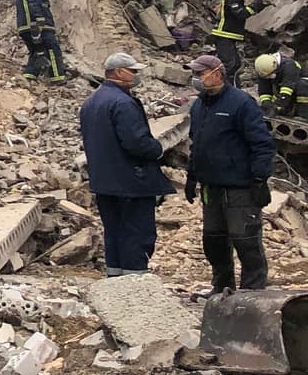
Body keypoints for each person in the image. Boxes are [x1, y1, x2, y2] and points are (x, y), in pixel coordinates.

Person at [79, 52, 176, 275]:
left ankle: (115, 280)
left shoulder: (91, 102)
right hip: (131, 181)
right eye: (133, 71)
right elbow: (136, 142)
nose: (136, 75)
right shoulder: (122, 103)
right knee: (136, 232)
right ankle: (134, 284)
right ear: (119, 72)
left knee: (113, 231)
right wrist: (157, 149)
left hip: (104, 182)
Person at [185, 52, 274, 293]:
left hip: (240, 187)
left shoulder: (241, 103)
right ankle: (221, 288)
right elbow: (197, 143)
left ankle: (252, 294)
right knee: (213, 241)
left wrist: (259, 179)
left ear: (217, 74)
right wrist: (192, 176)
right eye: (194, 73)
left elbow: (262, 144)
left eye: (200, 73)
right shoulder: (199, 105)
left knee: (245, 241)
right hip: (210, 188)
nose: (196, 78)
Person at [211, 0, 265, 85]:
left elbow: (241, 13)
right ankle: (223, 86)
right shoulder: (232, 0)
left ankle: (232, 87)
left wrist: (257, 8)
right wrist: (254, 7)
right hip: (224, 36)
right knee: (230, 64)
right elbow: (240, 14)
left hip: (227, 37)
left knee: (235, 64)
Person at [16, 0, 66, 83]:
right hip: (39, 28)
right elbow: (35, 5)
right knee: (52, 50)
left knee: (36, 51)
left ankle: (30, 74)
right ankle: (57, 77)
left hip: (24, 29)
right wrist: (40, 21)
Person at [255, 51, 305, 119]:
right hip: (291, 90)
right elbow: (264, 90)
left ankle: (303, 115)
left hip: (302, 89)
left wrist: (277, 106)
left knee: (302, 85)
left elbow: (286, 90)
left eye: (270, 75)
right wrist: (266, 103)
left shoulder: (289, 66)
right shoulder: (264, 70)